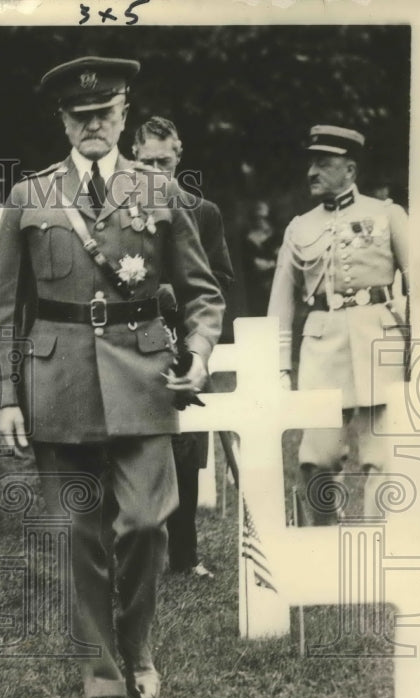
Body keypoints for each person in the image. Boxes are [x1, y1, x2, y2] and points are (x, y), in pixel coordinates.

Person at [0, 56, 224, 698]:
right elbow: (3, 310)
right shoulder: (29, 198)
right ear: (63, 120)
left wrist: (200, 355)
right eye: (78, 115)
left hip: (145, 378)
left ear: (124, 114)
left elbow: (204, 294)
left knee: (146, 524)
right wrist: (6, 396)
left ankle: (139, 644)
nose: (92, 124)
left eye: (103, 113)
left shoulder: (158, 192)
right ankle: (101, 675)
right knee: (76, 539)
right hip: (56, 382)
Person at [268, 125, 408, 525]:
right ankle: (324, 543)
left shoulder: (386, 215)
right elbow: (281, 299)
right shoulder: (300, 227)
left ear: (349, 169)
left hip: (380, 345)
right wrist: (279, 364)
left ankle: (384, 549)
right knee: (316, 458)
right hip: (323, 349)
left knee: (382, 461)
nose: (312, 171)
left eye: (323, 163)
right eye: (311, 162)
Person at [132, 116, 235, 578]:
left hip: (181, 342)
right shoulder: (116, 207)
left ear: (179, 157)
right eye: (146, 161)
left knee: (187, 449)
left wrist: (180, 299)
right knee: (134, 447)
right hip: (130, 343)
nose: (155, 171)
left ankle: (185, 555)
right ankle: (135, 552)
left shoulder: (202, 211)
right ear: (132, 157)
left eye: (164, 161)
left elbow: (221, 280)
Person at [239, 199, 280, 317]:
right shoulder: (248, 239)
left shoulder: (276, 237)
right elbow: (253, 264)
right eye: (258, 218)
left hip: (275, 286)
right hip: (256, 289)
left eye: (264, 217)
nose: (261, 221)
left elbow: (281, 260)